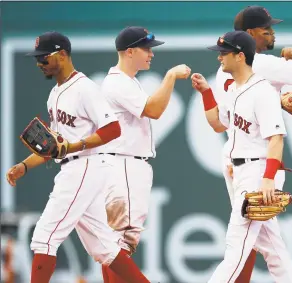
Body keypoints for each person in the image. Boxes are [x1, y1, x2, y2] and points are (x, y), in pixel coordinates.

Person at [5, 31, 151, 283]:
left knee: (44, 236)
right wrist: (24, 166)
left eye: (44, 57)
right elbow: (54, 146)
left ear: (62, 54)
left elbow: (113, 129)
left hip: (87, 164)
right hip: (75, 166)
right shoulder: (55, 94)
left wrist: (74, 146)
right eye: (37, 58)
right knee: (104, 247)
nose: (39, 63)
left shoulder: (84, 88)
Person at [213, 6, 292, 281]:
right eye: (266, 29)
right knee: (268, 246)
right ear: (249, 35)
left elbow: (221, 123)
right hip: (248, 162)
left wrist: (266, 177)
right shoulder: (256, 66)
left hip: (248, 162)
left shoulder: (230, 74)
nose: (272, 32)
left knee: (243, 245)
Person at [191, 30, 292, 283]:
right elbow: (218, 124)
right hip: (242, 172)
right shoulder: (235, 90)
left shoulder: (263, 92)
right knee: (274, 251)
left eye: (224, 53)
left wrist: (268, 180)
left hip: (259, 173)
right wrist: (206, 93)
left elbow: (276, 138)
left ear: (240, 56)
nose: (219, 58)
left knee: (235, 248)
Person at [97, 26, 191, 283]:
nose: (151, 54)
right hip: (124, 164)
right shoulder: (117, 83)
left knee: (114, 244)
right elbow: (154, 109)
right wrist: (170, 76)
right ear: (129, 52)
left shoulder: (125, 81)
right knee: (120, 243)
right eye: (146, 49)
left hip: (124, 163)